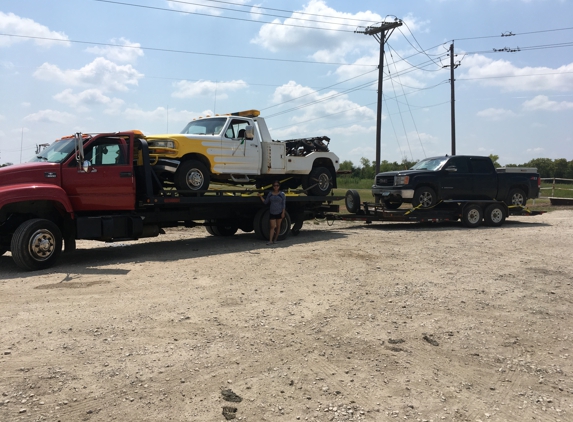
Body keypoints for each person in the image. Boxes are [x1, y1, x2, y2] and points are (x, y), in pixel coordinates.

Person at [258, 181, 286, 245]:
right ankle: (270, 240)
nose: (276, 187)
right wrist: (260, 196)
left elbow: (283, 204)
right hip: (272, 212)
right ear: (273, 186)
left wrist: (283, 212)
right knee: (272, 226)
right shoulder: (270, 194)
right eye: (274, 185)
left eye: (277, 185)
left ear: (279, 186)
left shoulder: (282, 194)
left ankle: (275, 239)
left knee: (278, 226)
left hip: (279, 212)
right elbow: (266, 202)